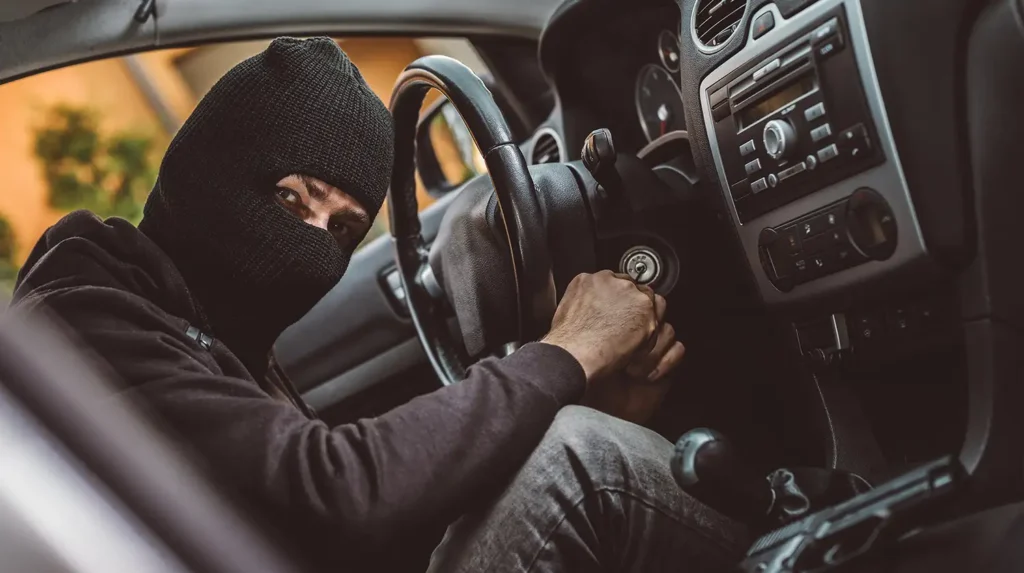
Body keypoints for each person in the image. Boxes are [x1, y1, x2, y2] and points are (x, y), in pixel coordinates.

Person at [11, 37, 744, 572]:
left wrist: (577, 390)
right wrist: (567, 352)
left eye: (346, 228)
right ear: (212, 160)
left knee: (577, 436)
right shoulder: (87, 319)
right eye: (291, 197)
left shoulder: (198, 325)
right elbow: (339, 492)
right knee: (581, 463)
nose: (311, 244)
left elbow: (331, 531)